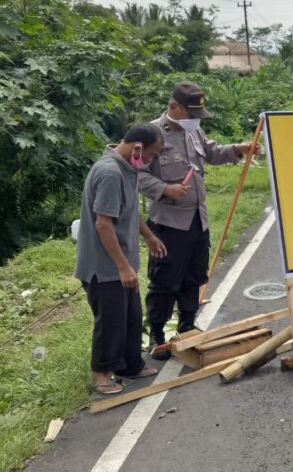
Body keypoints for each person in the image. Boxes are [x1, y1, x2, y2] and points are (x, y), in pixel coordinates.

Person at [138, 82, 259, 359]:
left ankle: (188, 325)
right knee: (165, 279)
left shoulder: (194, 130)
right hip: (168, 222)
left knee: (195, 275)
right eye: (192, 114)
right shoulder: (150, 134)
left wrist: (239, 149)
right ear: (173, 108)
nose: (196, 120)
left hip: (197, 219)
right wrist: (164, 189)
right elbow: (137, 175)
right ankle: (157, 335)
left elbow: (212, 152)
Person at [75, 124, 168, 395]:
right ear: (137, 147)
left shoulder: (129, 169)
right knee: (111, 320)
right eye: (151, 155)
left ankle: (130, 365)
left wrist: (149, 237)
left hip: (121, 263)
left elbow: (127, 212)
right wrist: (123, 266)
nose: (150, 161)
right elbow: (104, 224)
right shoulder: (110, 173)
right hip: (103, 267)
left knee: (131, 316)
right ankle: (101, 372)